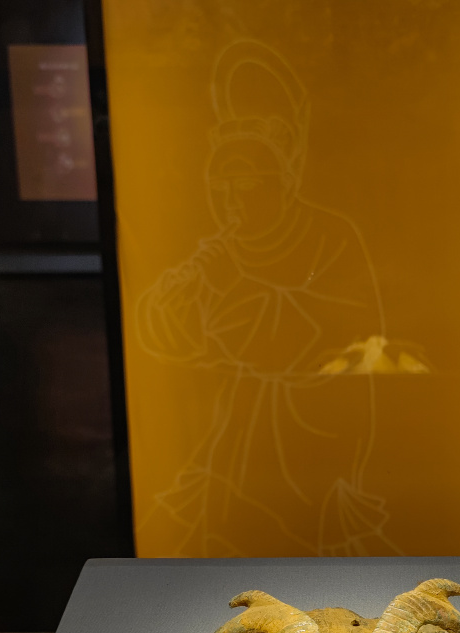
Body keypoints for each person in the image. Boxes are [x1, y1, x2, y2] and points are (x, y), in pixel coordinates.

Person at [137, 41, 398, 557]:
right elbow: (178, 339)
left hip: (313, 434)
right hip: (235, 439)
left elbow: (344, 337)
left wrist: (238, 295)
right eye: (221, 188)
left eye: (246, 185)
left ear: (282, 179)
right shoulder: (222, 250)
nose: (231, 202)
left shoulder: (330, 235)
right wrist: (174, 306)